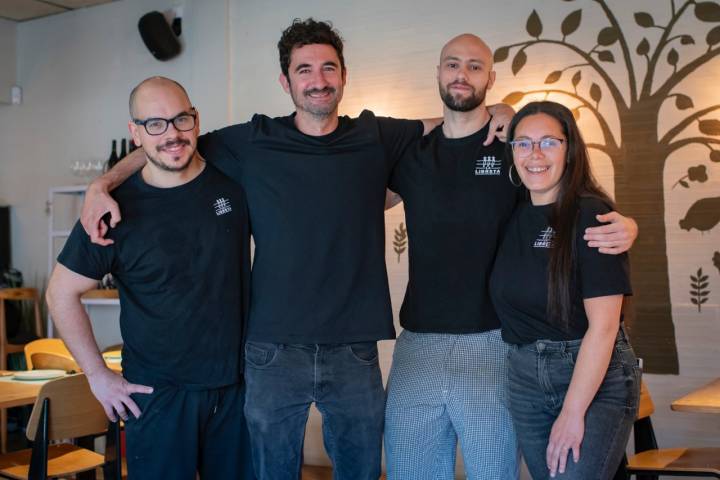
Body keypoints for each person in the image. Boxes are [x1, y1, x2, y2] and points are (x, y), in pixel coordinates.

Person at [382, 35, 637, 480]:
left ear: (491, 77)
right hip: (418, 342)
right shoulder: (410, 152)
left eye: (475, 67)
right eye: (452, 65)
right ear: (439, 73)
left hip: (496, 343)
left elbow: (566, 198)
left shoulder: (513, 147)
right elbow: (349, 191)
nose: (462, 75)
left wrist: (626, 224)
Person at [46, 77, 254, 480]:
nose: (172, 134)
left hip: (237, 388)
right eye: (155, 124)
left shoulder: (234, 182)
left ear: (196, 119)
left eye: (181, 119)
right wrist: (97, 377)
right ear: (135, 132)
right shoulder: (111, 211)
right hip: (157, 396)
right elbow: (60, 294)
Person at [490, 101, 640, 479]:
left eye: (548, 142)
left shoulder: (591, 214)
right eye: (522, 143)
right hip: (524, 377)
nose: (534, 154)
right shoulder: (509, 212)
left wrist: (573, 412)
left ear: (570, 149)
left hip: (592, 373)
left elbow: (604, 328)